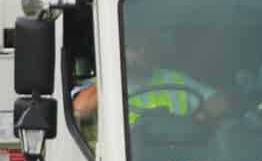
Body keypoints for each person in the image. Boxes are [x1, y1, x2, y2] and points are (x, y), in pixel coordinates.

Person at [71, 25, 229, 129]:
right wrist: (115, 71)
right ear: (119, 49)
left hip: (175, 155)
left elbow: (219, 102)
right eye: (134, 47)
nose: (142, 52)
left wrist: (197, 120)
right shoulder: (101, 84)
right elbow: (80, 110)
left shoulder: (173, 78)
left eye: (146, 46)